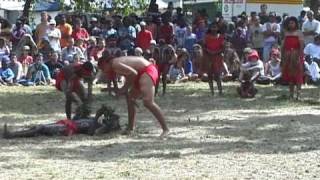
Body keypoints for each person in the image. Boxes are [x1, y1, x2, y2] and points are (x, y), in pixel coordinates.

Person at [98, 54, 169, 138]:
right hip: (139, 73)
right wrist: (123, 89)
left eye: (103, 68)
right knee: (130, 99)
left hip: (147, 70)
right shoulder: (114, 65)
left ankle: (166, 129)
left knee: (148, 102)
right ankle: (130, 128)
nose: (103, 71)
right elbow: (131, 75)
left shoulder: (115, 64)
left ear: (107, 63)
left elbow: (133, 73)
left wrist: (124, 88)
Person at [3, 105, 121, 139]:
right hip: (66, 124)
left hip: (66, 129)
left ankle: (11, 135)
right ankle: (13, 133)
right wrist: (81, 112)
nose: (107, 118)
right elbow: (77, 119)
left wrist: (96, 116)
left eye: (109, 119)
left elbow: (91, 133)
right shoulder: (94, 121)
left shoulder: (99, 127)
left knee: (41, 129)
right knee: (38, 127)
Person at [281, 16, 304, 100]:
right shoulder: (286, 33)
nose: (291, 24)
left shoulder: (299, 32)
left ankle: (299, 95)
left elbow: (301, 45)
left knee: (298, 75)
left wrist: (299, 56)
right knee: (290, 75)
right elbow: (283, 46)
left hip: (297, 55)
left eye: (292, 23)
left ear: (296, 24)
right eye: (289, 23)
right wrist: (282, 56)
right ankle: (291, 95)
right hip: (287, 56)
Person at [204, 22, 225, 95]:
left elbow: (223, 48)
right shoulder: (207, 37)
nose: (214, 29)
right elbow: (204, 47)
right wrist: (209, 51)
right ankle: (212, 92)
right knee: (209, 75)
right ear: (210, 28)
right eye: (212, 27)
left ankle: (220, 91)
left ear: (218, 28)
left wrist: (215, 52)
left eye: (215, 27)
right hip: (208, 57)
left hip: (217, 57)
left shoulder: (221, 37)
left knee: (217, 75)